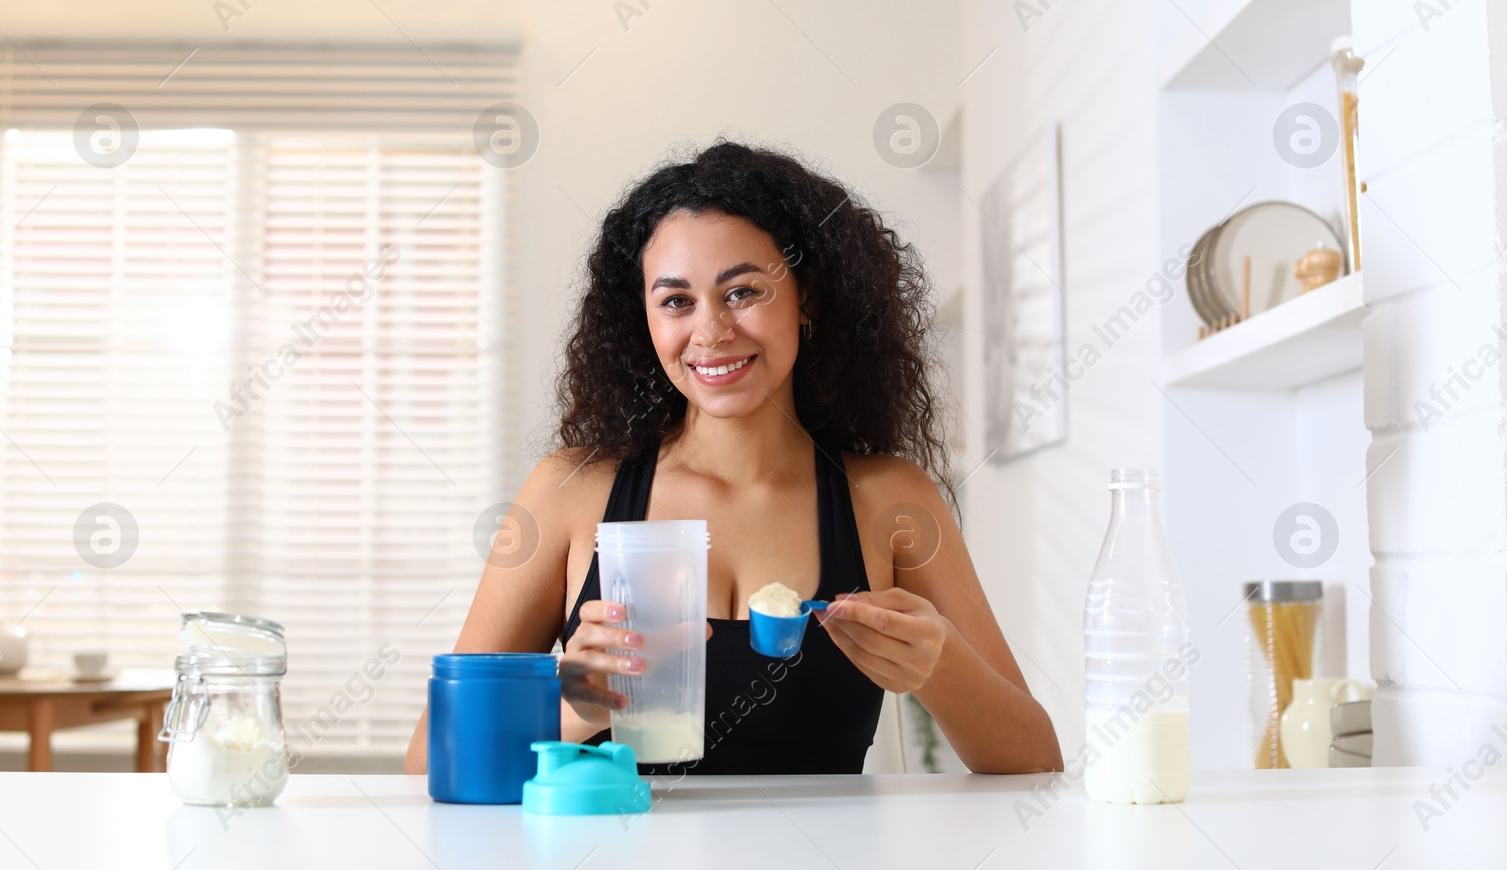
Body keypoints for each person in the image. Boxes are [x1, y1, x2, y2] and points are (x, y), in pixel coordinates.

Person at [405, 140, 1062, 775]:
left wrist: (940, 664)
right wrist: (574, 704)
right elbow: (427, 762)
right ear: (644, 320)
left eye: (743, 291)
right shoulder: (570, 492)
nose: (711, 331)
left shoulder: (891, 499)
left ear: (805, 297)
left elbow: (1035, 759)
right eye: (676, 301)